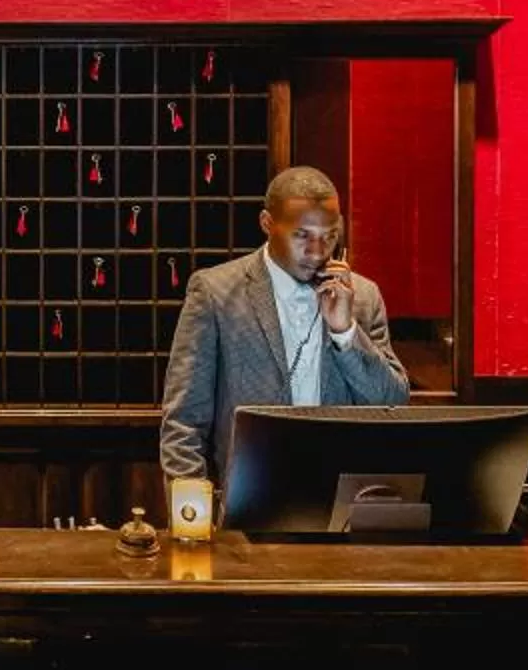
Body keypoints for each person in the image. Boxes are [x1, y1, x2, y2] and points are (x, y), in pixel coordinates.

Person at [158, 165, 410, 510]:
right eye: (302, 235)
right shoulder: (214, 292)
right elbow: (184, 421)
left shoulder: (362, 297)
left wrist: (345, 331)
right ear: (267, 224)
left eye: (330, 236)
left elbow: (392, 403)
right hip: (247, 505)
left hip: (344, 507)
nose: (318, 250)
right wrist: (192, 514)